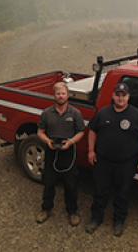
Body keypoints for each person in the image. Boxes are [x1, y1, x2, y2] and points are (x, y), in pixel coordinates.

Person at [85, 82, 138, 236]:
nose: (120, 98)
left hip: (127, 163)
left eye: (124, 95)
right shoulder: (103, 113)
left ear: (129, 97)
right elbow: (92, 131)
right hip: (103, 161)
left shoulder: (137, 115)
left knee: (123, 193)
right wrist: (90, 151)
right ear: (113, 96)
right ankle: (96, 218)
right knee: (100, 191)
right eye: (118, 95)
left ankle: (119, 221)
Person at [36, 82, 85, 226]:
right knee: (48, 182)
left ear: (68, 95)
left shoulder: (75, 113)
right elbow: (40, 132)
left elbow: (81, 132)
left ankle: (72, 211)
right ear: (54, 95)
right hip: (51, 151)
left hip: (69, 152)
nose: (61, 96)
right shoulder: (46, 113)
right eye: (58, 93)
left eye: (63, 93)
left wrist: (70, 142)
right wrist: (47, 141)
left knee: (71, 184)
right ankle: (46, 208)